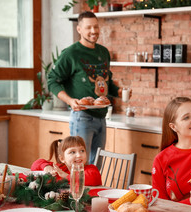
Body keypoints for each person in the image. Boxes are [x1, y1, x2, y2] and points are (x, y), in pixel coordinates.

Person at [47, 11, 131, 164]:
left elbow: (107, 82)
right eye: (88, 28)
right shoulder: (71, 53)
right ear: (79, 29)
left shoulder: (103, 52)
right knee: (80, 165)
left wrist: (119, 92)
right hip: (82, 117)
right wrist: (71, 101)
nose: (93, 31)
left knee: (96, 166)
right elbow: (52, 80)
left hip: (102, 117)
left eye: (96, 27)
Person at [31, 136, 102, 186]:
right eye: (73, 152)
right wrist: (46, 167)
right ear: (62, 159)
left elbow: (93, 178)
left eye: (82, 151)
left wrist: (66, 176)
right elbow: (36, 164)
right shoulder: (61, 168)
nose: (79, 155)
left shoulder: (91, 169)